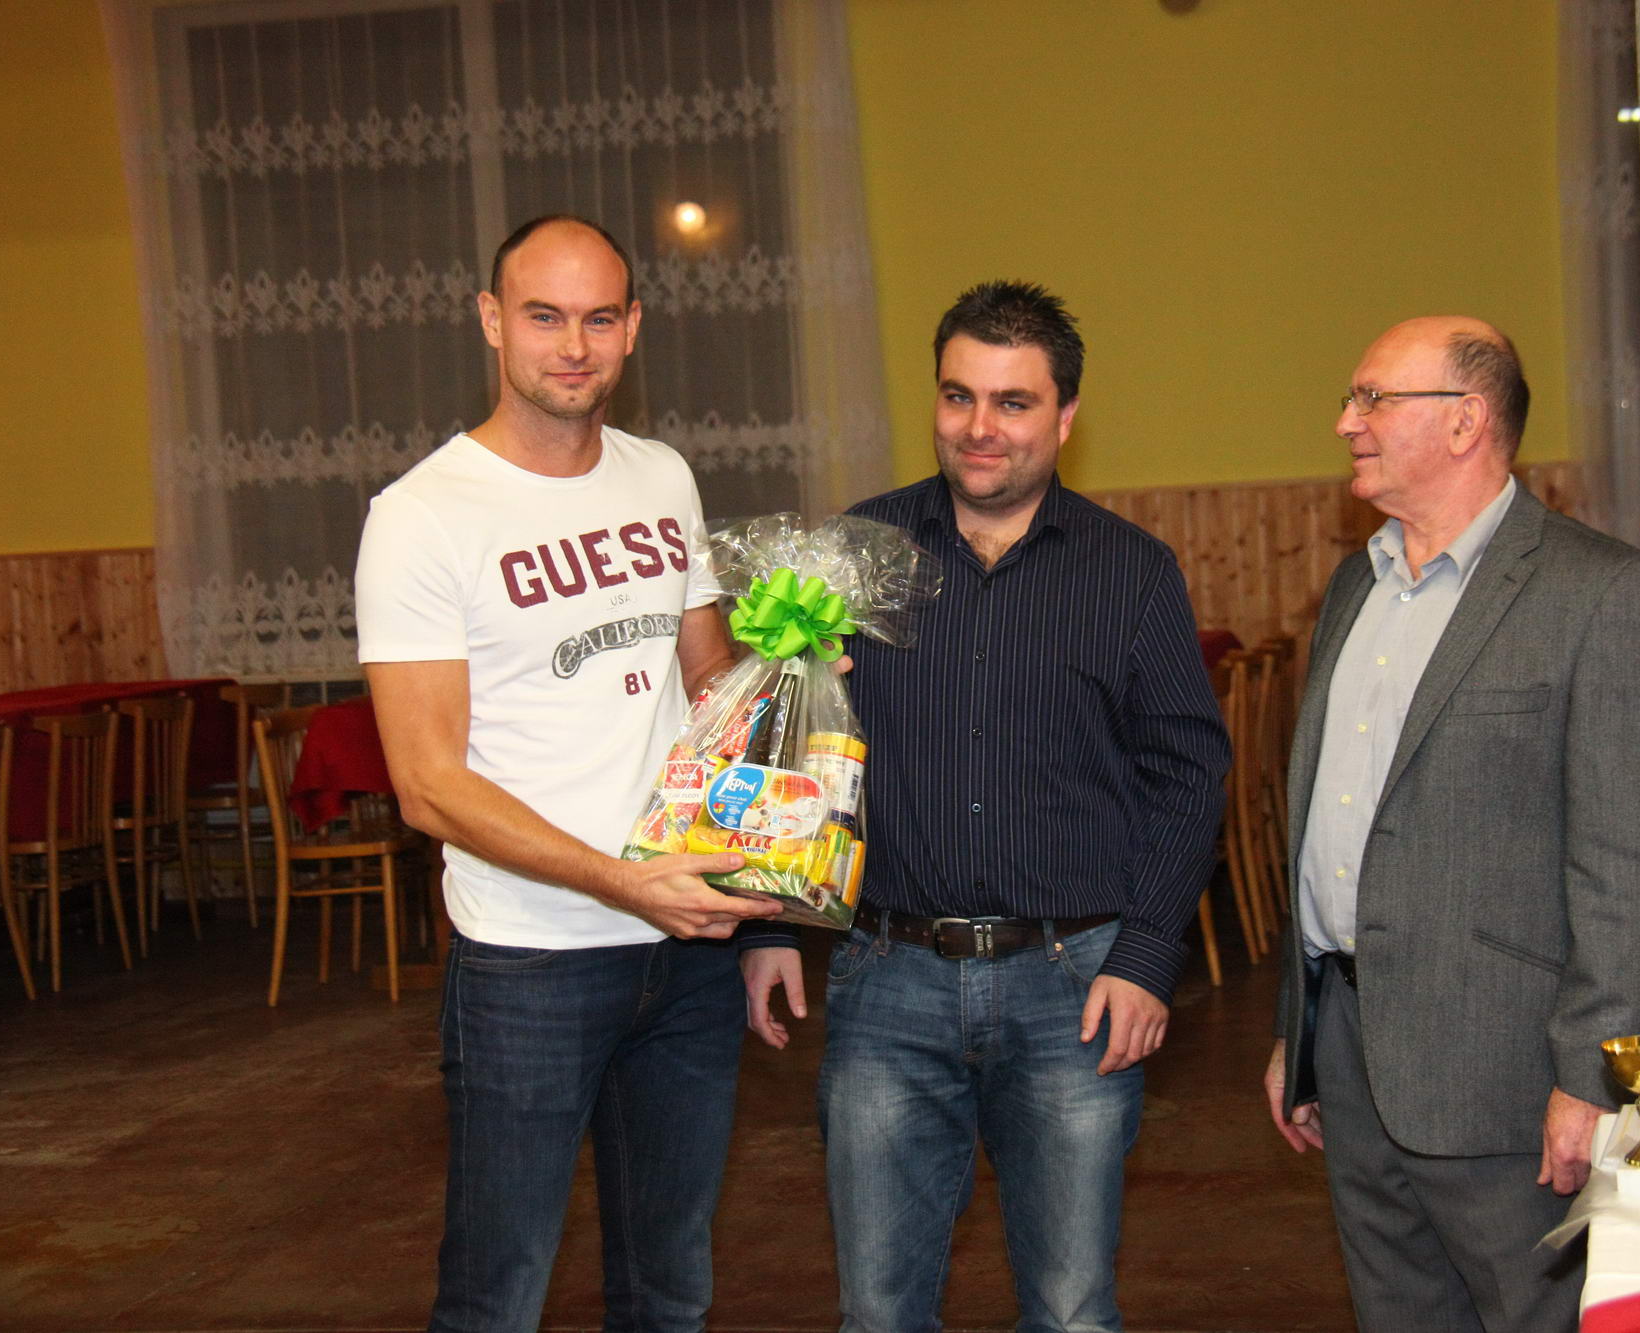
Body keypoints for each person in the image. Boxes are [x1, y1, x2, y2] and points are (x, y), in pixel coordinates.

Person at [740, 280, 1230, 1333]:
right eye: (958, 395)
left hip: (1075, 985)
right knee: (878, 1310)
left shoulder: (1131, 572)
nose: (979, 427)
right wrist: (770, 919)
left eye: (1013, 402)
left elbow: (1189, 772)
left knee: (1070, 1309)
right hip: (886, 977)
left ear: (1065, 416)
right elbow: (788, 741)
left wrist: (1148, 954)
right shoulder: (855, 555)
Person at [355, 215, 782, 1333]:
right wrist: (621, 881)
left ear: (632, 328)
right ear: (492, 321)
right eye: (543, 316)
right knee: (497, 1294)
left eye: (598, 318)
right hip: (529, 963)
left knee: (671, 1286)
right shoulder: (420, 518)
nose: (573, 346)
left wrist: (793, 674)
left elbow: (706, 681)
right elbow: (426, 783)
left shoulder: (662, 475)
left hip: (685, 950)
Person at [1263, 317, 1640, 1331]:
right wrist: (1298, 1031)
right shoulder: (1355, 583)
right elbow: (1330, 825)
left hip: (1506, 1071)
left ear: (1465, 421)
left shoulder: (1602, 593)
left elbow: (1628, 865)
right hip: (1351, 1048)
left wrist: (1589, 1077)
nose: (1345, 422)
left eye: (1371, 399)